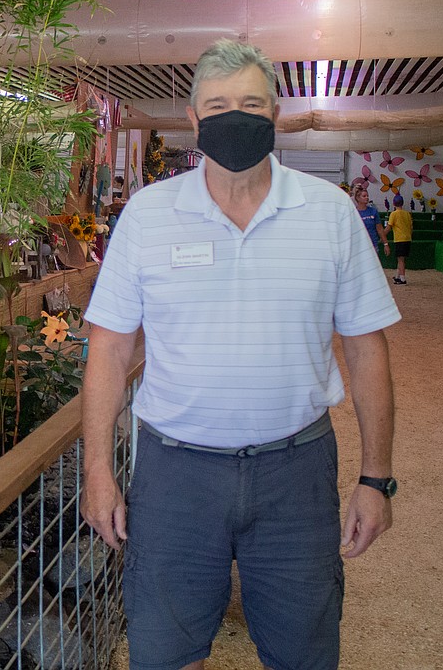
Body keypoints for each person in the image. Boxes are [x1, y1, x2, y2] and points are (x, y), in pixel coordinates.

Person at [81, 39, 400, 670]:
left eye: (251, 103)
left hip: (296, 473)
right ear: (195, 119)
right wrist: (96, 470)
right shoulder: (147, 217)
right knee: (165, 651)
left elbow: (367, 352)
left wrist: (374, 479)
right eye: (219, 105)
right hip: (176, 476)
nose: (236, 116)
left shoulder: (330, 215)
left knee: (304, 649)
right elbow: (109, 352)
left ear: (276, 113)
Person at [353, 184, 390, 258]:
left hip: (372, 245)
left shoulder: (373, 211)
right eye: (364, 196)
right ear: (358, 198)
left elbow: (379, 229)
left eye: (367, 196)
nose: (367, 198)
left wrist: (385, 244)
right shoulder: (353, 212)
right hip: (358, 247)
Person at [385, 193, 413, 285]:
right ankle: (398, 276)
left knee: (400, 260)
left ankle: (403, 279)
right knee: (401, 258)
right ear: (402, 203)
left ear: (393, 204)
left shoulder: (393, 214)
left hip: (399, 239)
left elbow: (389, 227)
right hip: (407, 238)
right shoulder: (407, 214)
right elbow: (411, 227)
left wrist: (383, 235)